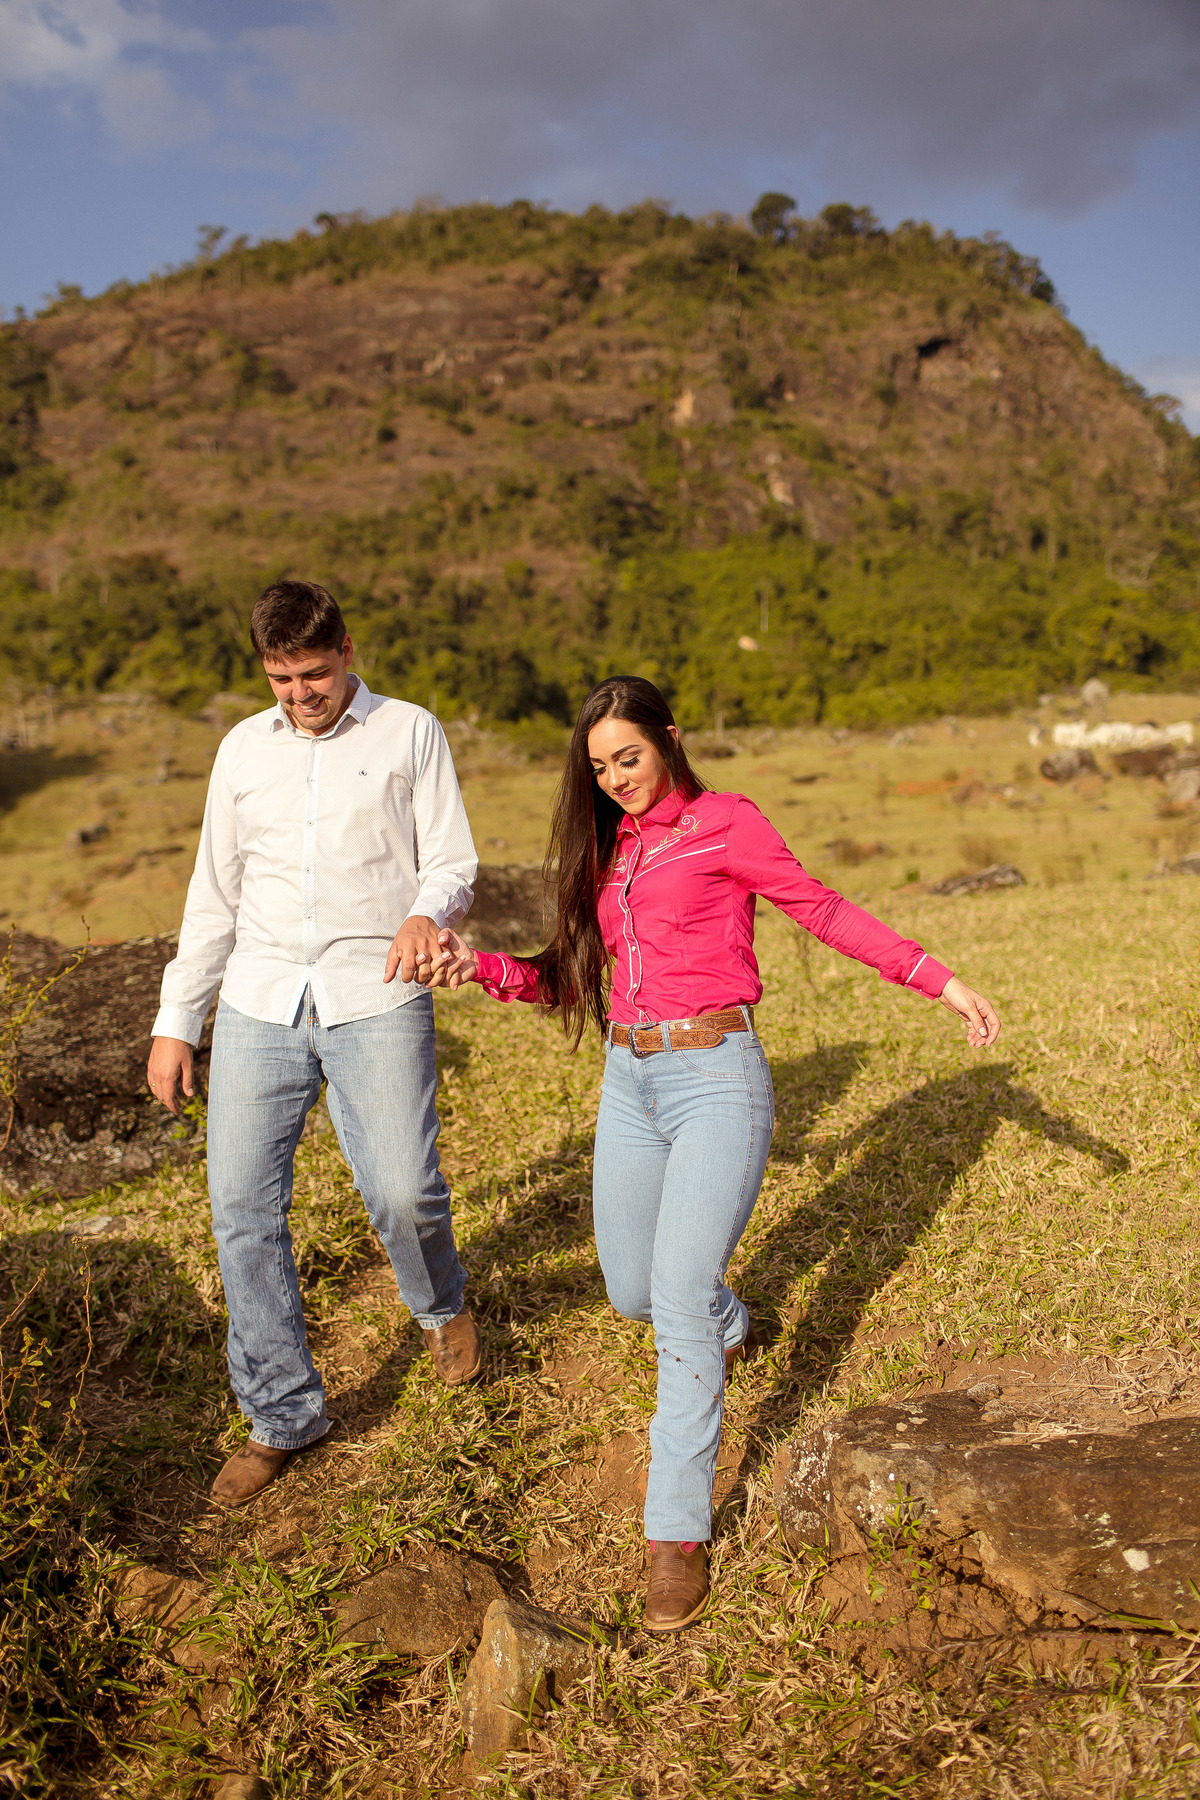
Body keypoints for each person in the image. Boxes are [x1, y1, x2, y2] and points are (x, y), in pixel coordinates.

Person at [428, 676, 1000, 1633]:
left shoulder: (727, 823)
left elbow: (822, 909)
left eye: (630, 758)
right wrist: (476, 965)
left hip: (717, 1077)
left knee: (679, 1293)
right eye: (600, 767)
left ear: (669, 738)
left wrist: (937, 979)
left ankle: (677, 1533)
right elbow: (569, 976)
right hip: (629, 1081)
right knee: (633, 1290)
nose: (616, 779)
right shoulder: (609, 848)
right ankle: (731, 1321)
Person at [146, 579, 483, 1508]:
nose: (300, 695)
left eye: (315, 675)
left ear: (346, 652)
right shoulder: (241, 749)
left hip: (375, 992)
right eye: (281, 679)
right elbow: (213, 894)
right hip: (259, 1000)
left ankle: (440, 1304)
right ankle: (281, 1415)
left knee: (403, 1189)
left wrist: (424, 911)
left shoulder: (409, 732)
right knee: (241, 1209)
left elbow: (452, 859)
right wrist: (178, 1021)